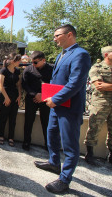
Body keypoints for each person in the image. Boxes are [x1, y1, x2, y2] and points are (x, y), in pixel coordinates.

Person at [35, 24, 91, 194]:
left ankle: (65, 179)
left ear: (70, 35)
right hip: (56, 105)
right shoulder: (62, 55)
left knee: (70, 145)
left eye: (57, 35)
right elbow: (57, 80)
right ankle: (54, 163)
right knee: (51, 134)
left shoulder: (81, 54)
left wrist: (56, 98)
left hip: (69, 107)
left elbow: (75, 83)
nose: (54, 39)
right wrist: (47, 93)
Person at [84, 45, 112, 165]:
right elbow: (99, 86)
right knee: (94, 128)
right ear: (106, 54)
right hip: (101, 103)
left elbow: (105, 86)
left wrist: (108, 86)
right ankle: (90, 154)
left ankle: (110, 154)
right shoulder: (97, 68)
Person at [21, 51, 53, 151]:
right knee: (28, 121)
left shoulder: (52, 69)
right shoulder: (28, 69)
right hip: (32, 99)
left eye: (35, 62)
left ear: (43, 60)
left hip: (47, 100)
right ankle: (26, 142)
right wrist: (35, 94)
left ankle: (48, 144)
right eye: (32, 62)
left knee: (46, 122)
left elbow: (55, 83)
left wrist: (44, 95)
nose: (33, 64)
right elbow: (24, 84)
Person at [0, 53, 22, 147]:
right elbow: (0, 85)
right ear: (12, 61)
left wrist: (19, 95)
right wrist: (6, 97)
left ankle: (11, 137)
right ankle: (1, 136)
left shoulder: (17, 71)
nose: (20, 62)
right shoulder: (3, 70)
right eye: (18, 60)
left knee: (13, 117)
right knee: (3, 116)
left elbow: (19, 84)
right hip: (5, 95)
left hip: (14, 95)